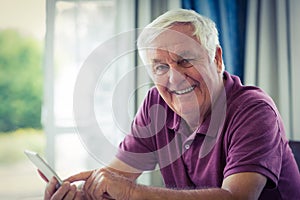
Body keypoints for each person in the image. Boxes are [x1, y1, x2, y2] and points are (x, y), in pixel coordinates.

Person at [43, 9, 300, 200]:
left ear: (217, 58)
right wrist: (81, 194)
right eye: (160, 67)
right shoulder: (156, 103)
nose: (174, 78)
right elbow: (116, 180)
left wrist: (131, 192)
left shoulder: (254, 110)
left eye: (186, 60)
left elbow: (236, 198)